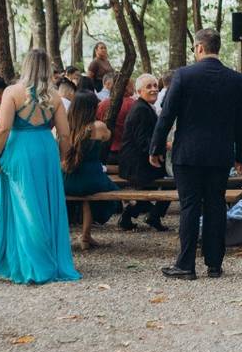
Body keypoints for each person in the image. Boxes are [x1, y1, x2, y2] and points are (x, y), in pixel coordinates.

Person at [150, 29, 242, 280]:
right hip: (220, 154)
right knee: (216, 205)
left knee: (190, 206)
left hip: (189, 154)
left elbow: (166, 116)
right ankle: (214, 264)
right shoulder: (236, 80)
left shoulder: (184, 76)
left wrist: (156, 147)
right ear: (217, 48)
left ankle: (186, 264)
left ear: (198, 48)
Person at [0, 49, 80, 284]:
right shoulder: (55, 97)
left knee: (23, 204)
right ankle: (49, 258)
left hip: (20, 149)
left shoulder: (12, 92)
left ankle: (31, 263)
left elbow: (3, 128)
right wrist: (62, 156)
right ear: (48, 68)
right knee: (46, 204)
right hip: (45, 150)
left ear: (26, 66)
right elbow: (65, 134)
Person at [62, 91, 120, 250]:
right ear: (93, 108)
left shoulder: (63, 127)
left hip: (67, 179)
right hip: (91, 179)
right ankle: (86, 237)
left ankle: (69, 237)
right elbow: (108, 136)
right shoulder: (99, 127)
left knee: (85, 193)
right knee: (92, 193)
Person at [119, 73, 169, 231]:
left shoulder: (145, 107)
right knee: (172, 181)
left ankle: (136, 216)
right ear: (139, 91)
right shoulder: (141, 109)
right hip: (137, 165)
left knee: (166, 182)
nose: (154, 89)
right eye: (149, 87)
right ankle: (153, 215)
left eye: (155, 85)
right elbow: (143, 142)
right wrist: (165, 146)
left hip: (139, 162)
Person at [96, 77, 136, 165]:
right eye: (132, 85)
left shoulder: (102, 105)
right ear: (127, 87)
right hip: (127, 154)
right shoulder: (134, 105)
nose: (134, 88)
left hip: (106, 153)